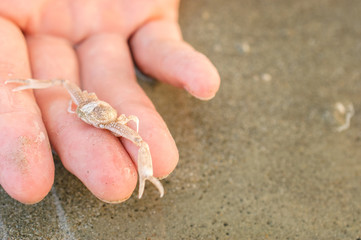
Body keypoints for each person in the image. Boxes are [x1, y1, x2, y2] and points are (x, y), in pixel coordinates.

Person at [0, 0, 220, 204]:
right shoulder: (84, 100)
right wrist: (33, 83)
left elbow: (139, 140)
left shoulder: (114, 124)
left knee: (141, 142)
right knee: (64, 81)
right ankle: (26, 82)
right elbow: (63, 81)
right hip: (91, 106)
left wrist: (144, 168)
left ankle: (146, 175)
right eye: (82, 112)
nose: (81, 115)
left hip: (106, 119)